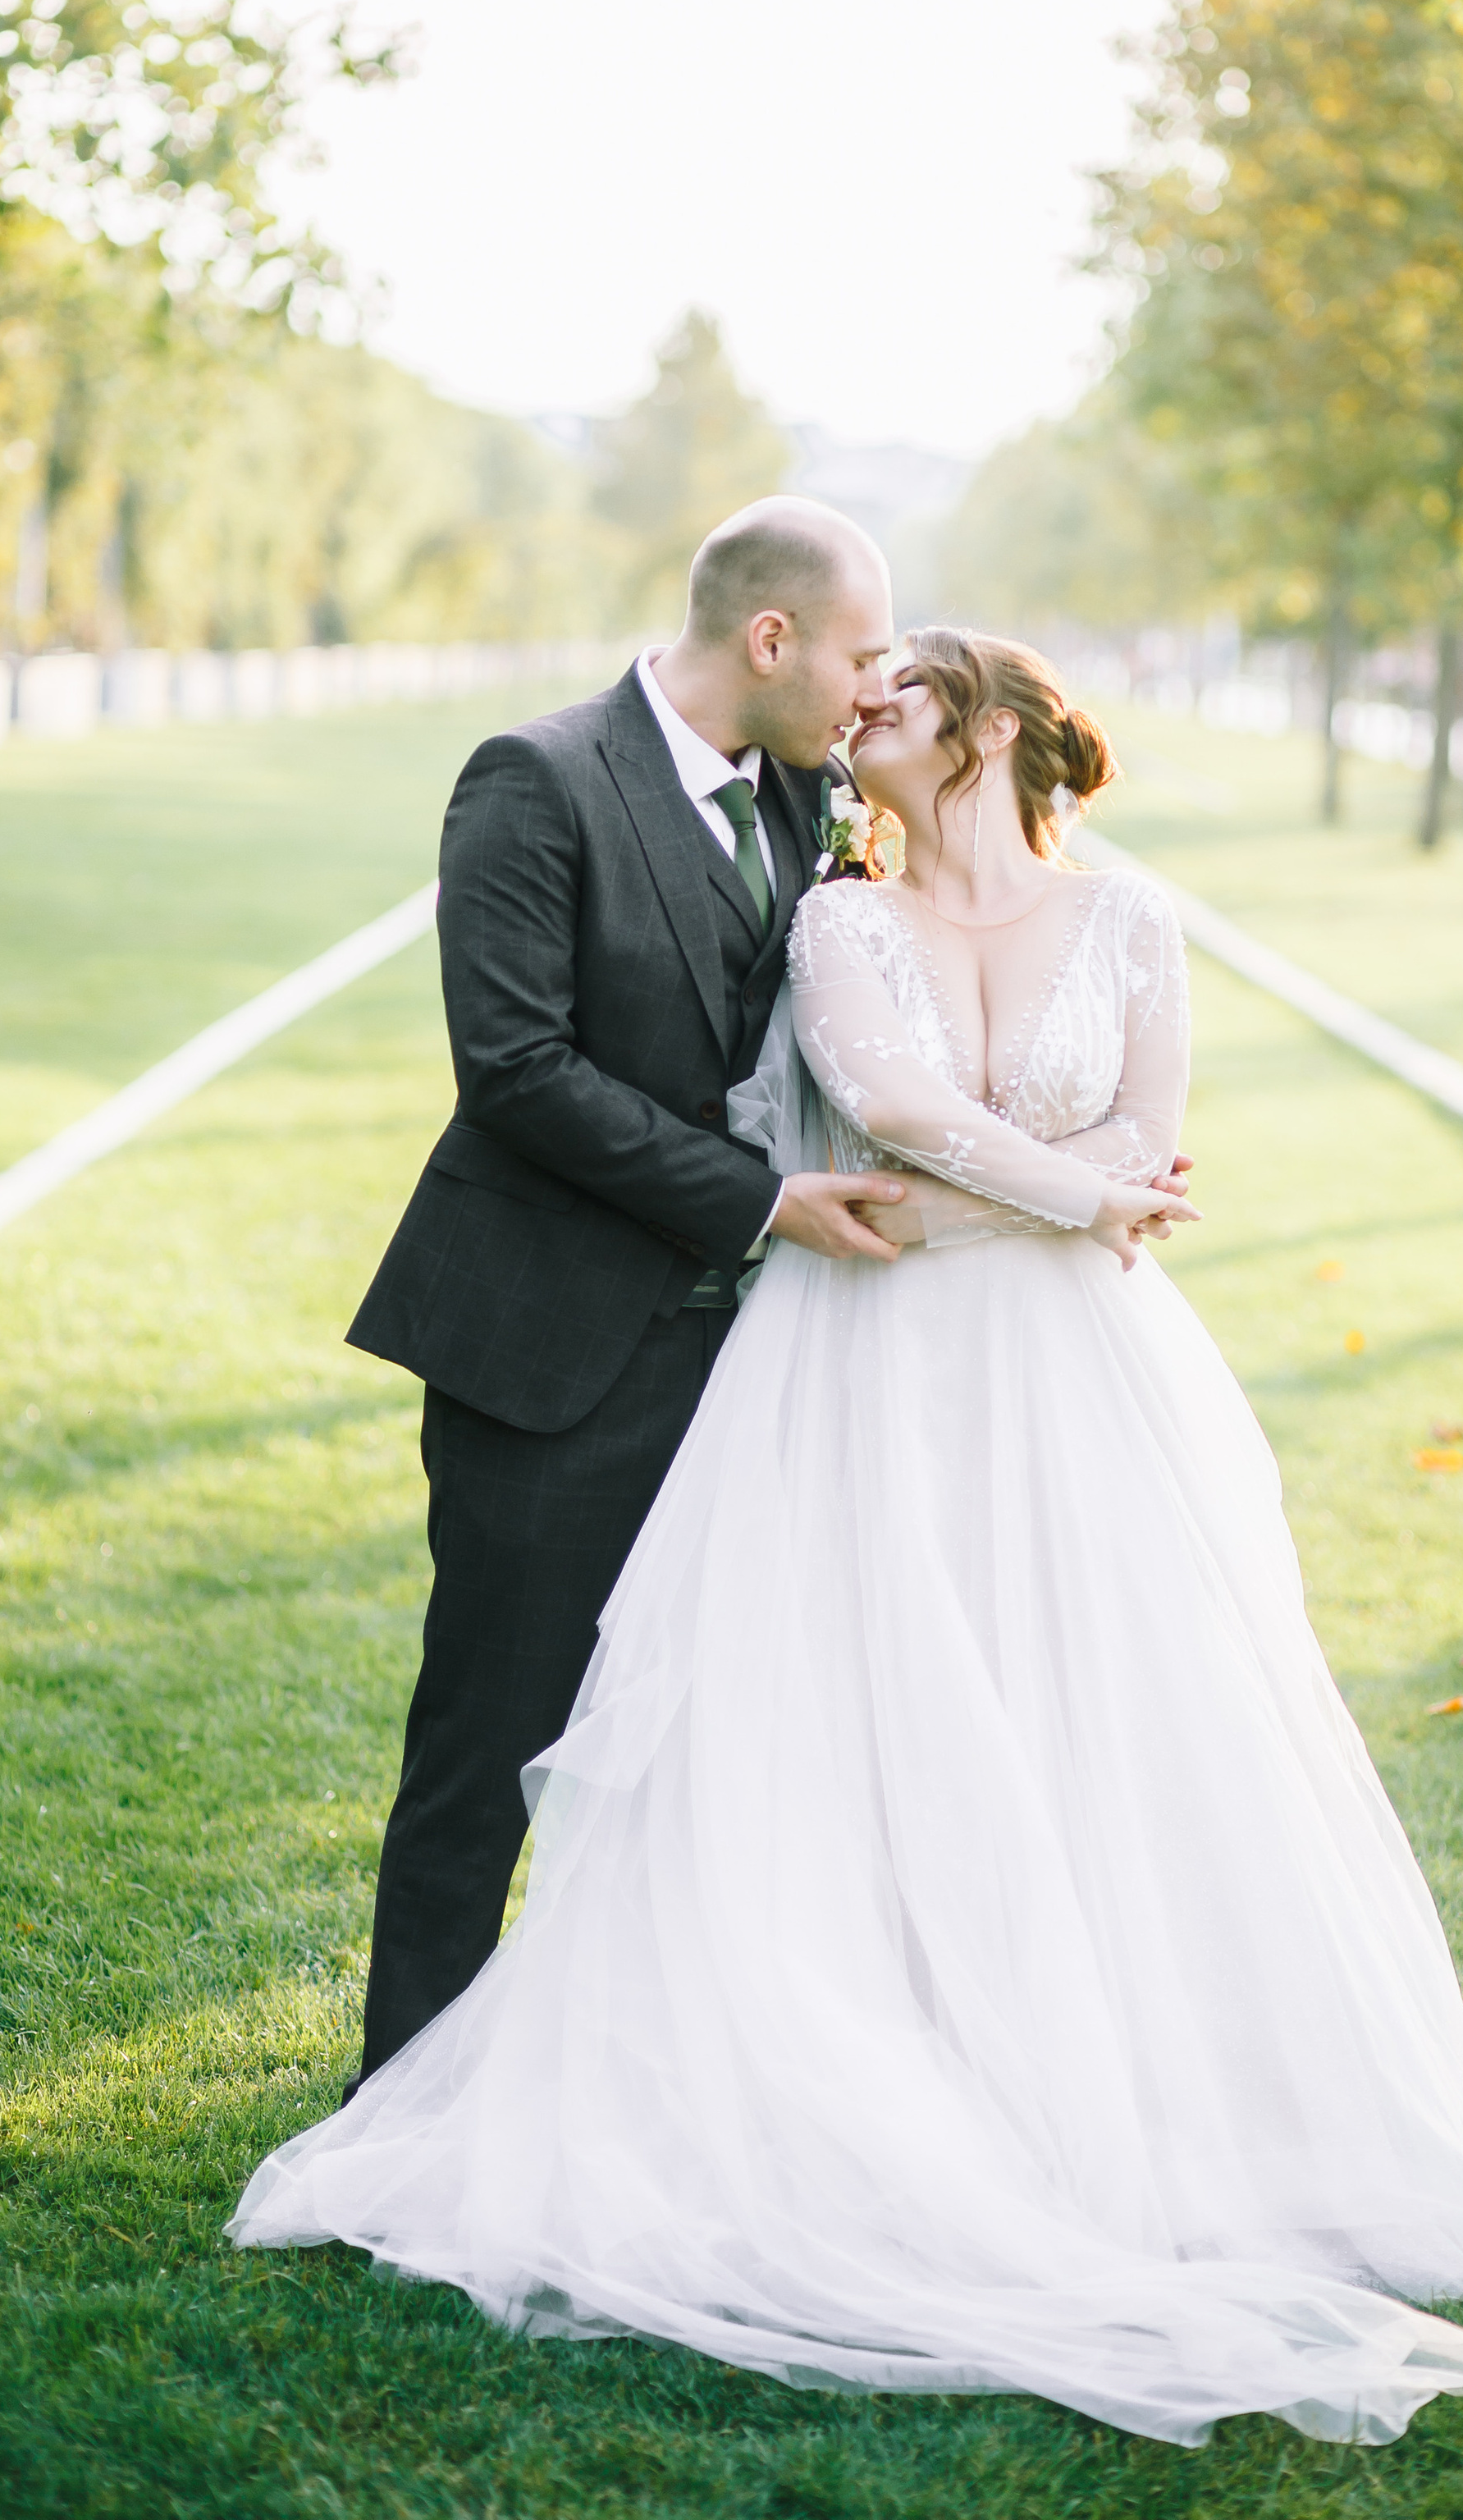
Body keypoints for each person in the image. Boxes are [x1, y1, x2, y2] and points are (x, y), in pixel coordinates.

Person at [236, 626, 1463, 2450]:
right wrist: (1084, 1193)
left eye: (899, 693)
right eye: (851, 682)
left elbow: (1150, 1119)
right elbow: (891, 1106)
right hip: (862, 1361)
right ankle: (777, 2074)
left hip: (1080, 1376)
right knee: (847, 1718)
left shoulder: (1128, 922)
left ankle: (1104, 2097)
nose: (858, 710)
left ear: (984, 728)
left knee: (1111, 1718)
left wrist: (1093, 1179)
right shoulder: (836, 912)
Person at [340, 496, 921, 2085]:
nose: (873, 688)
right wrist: (759, 1205)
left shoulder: (809, 787)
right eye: (860, 653)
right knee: (491, 1742)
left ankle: (636, 2084)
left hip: (749, 1370)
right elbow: (516, 1069)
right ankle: (401, 2093)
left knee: (708, 1745)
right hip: (550, 1353)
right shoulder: (534, 782)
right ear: (768, 637)